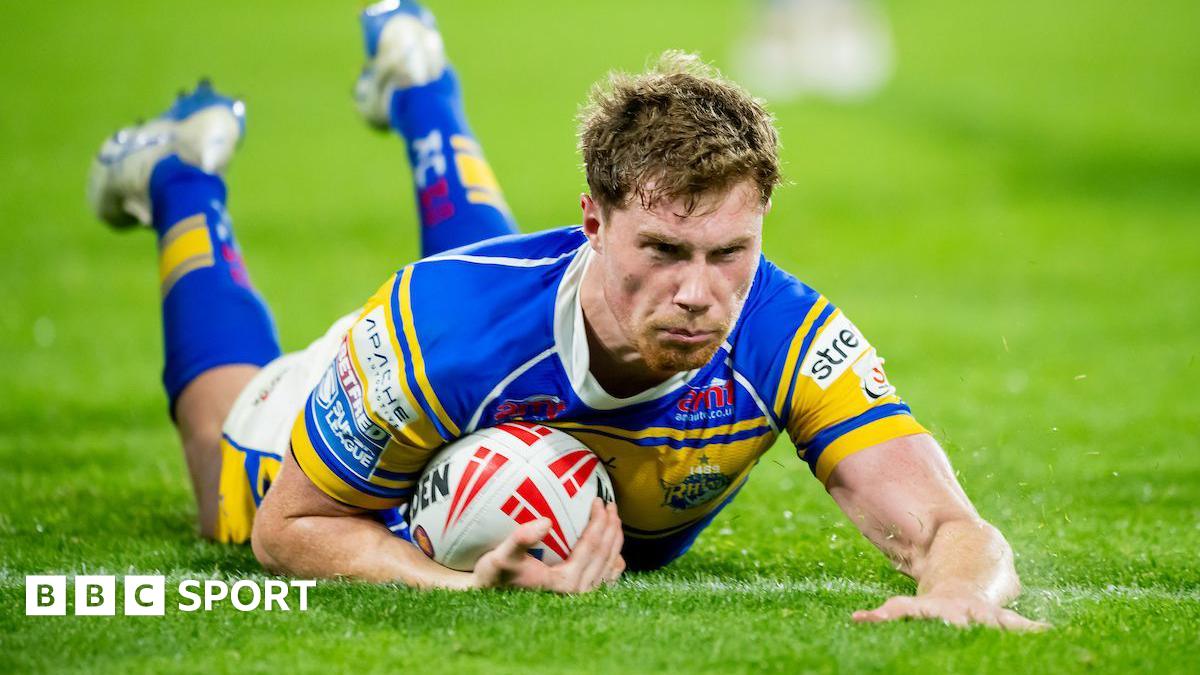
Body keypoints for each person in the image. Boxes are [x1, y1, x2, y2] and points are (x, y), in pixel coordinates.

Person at [87, 0, 1045, 629]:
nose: (699, 291)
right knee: (224, 474)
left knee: (496, 301)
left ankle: (422, 84)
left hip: (490, 332)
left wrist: (960, 594)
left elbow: (949, 528)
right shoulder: (441, 329)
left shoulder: (785, 337)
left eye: (730, 252)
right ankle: (183, 176)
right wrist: (458, 584)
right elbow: (287, 527)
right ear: (593, 219)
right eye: (664, 250)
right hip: (385, 392)